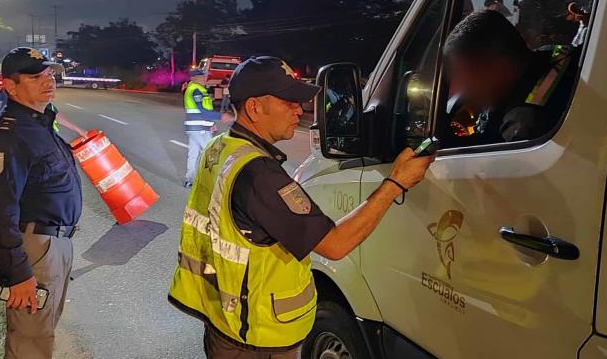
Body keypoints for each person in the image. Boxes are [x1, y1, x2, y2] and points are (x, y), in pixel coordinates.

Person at [168, 56, 434, 358]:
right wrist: (396, 182)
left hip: (222, 319)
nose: (300, 110)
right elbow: (335, 245)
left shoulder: (220, 147)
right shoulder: (259, 175)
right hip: (256, 337)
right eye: (289, 102)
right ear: (255, 108)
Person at [0, 47, 83, 359]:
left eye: (50, 75)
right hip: (34, 249)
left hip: (56, 244)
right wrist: (18, 274)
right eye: (36, 77)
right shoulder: (7, 137)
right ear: (11, 86)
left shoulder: (37, 123)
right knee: (29, 345)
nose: (48, 82)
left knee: (42, 334)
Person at [443, 9, 579, 144]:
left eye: (466, 75)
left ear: (501, 67)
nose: (460, 88)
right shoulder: (558, 56)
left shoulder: (523, 126)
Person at [0, 88, 87, 136]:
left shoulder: (35, 93)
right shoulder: (8, 95)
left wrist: (79, 130)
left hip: (44, 139)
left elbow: (54, 113)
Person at [182, 68, 218, 187]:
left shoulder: (199, 89)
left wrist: (211, 123)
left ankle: (190, 180)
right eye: (202, 77)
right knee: (210, 152)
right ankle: (210, 182)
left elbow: (206, 109)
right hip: (199, 127)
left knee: (194, 154)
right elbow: (202, 111)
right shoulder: (196, 91)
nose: (204, 78)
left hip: (198, 126)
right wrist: (221, 116)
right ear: (194, 78)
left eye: (204, 76)